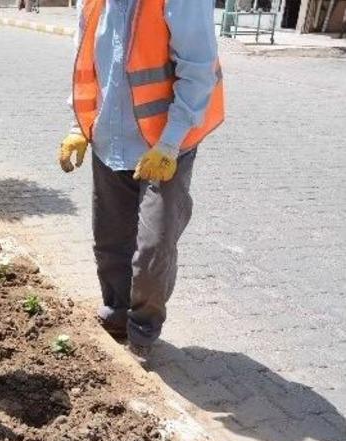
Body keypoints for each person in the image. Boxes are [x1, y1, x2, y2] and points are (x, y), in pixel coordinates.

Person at [56, 0, 223, 358]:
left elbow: (198, 70)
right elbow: (85, 61)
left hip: (164, 144)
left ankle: (144, 330)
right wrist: (78, 126)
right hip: (109, 137)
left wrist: (169, 142)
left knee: (153, 246)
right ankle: (116, 313)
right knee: (110, 239)